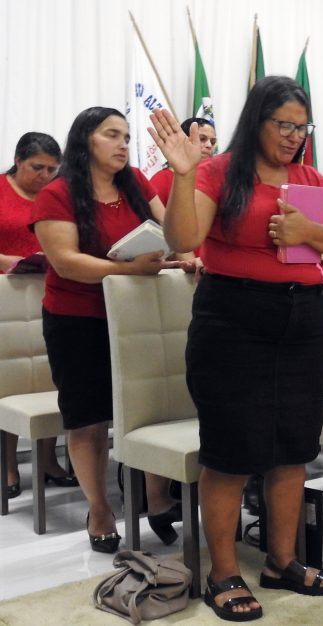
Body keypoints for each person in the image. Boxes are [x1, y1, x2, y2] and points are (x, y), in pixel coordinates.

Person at [150, 76, 323, 620]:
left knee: (294, 445)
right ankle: (222, 573)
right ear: (257, 121)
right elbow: (182, 238)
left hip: (304, 319)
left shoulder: (310, 178)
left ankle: (281, 561)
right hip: (233, 320)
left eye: (301, 126)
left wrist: (305, 233)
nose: (293, 136)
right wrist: (183, 172)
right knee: (231, 451)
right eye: (283, 124)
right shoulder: (220, 171)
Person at [30, 107, 189, 554]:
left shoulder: (135, 181)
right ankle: (99, 508)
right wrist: (129, 271)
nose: (123, 144)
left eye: (125, 136)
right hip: (77, 318)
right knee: (90, 419)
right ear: (86, 141)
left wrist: (181, 250)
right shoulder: (58, 193)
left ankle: (157, 497)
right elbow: (66, 261)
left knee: (149, 409)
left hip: (138, 316)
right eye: (111, 135)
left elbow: (173, 232)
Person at [1, 132, 77, 499]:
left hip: (49, 292)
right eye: (37, 168)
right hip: (7, 297)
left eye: (52, 168)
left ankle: (48, 459)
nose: (45, 175)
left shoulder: (56, 196)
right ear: (17, 161)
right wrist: (9, 261)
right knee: (12, 381)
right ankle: (9, 465)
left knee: (51, 378)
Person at [149, 118, 216, 205]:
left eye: (213, 142)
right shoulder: (162, 179)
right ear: (183, 141)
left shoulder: (215, 180)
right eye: (202, 139)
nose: (209, 145)